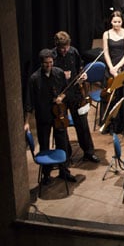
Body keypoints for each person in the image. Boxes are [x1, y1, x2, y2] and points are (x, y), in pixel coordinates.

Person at [24, 49, 77, 185]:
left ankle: (64, 171)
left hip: (59, 114)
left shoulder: (59, 73)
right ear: (41, 63)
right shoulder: (34, 79)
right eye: (46, 63)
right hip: (43, 115)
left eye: (51, 62)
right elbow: (29, 102)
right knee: (44, 144)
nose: (49, 65)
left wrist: (61, 97)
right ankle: (46, 174)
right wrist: (26, 122)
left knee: (62, 142)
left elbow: (67, 91)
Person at [51, 31, 100, 163]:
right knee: (61, 126)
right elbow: (47, 78)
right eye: (62, 48)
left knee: (82, 124)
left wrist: (83, 75)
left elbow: (80, 68)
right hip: (60, 97)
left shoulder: (73, 52)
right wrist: (61, 75)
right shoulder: (52, 57)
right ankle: (65, 154)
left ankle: (88, 152)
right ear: (57, 46)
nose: (65, 50)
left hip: (75, 93)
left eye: (66, 47)